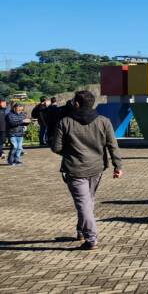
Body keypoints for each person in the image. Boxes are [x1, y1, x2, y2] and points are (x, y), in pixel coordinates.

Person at [51, 90, 123, 250]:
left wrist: (70, 153)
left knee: (84, 203)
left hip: (74, 169)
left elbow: (56, 147)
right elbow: (113, 145)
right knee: (87, 201)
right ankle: (81, 230)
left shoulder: (65, 122)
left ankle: (91, 238)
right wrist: (118, 166)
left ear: (76, 104)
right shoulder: (104, 121)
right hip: (96, 168)